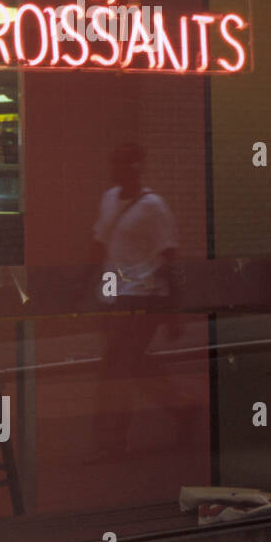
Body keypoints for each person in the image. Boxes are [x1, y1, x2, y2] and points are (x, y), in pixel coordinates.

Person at [86, 142, 188, 462]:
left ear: (138, 167)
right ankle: (183, 410)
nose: (121, 170)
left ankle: (113, 442)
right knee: (129, 364)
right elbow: (99, 245)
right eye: (117, 163)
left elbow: (170, 258)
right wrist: (86, 288)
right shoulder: (109, 199)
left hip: (145, 298)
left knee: (118, 369)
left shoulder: (154, 207)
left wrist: (173, 313)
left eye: (127, 164)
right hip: (114, 297)